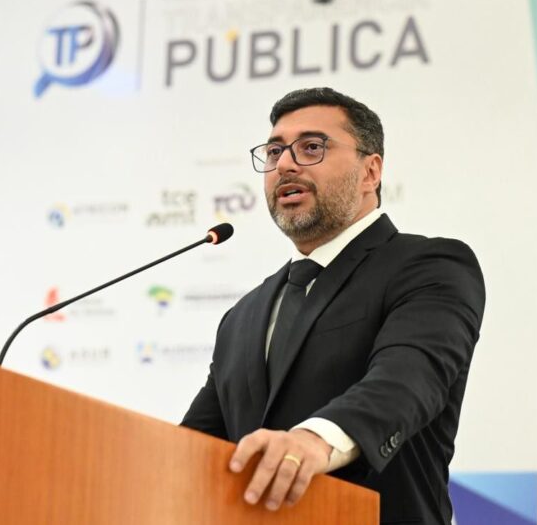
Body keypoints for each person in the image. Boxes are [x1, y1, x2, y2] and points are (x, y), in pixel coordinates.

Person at [181, 87, 485, 524]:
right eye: (274, 152)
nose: (284, 165)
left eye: (311, 147)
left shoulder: (428, 266)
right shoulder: (243, 316)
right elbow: (194, 448)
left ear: (370, 172)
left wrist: (313, 441)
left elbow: (406, 380)